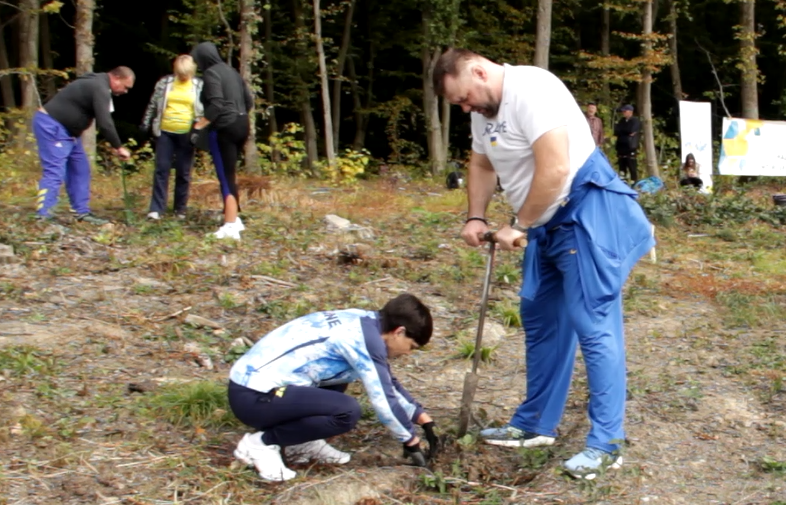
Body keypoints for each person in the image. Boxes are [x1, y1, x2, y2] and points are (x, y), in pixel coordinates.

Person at [432, 48, 654, 479]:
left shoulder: (533, 88)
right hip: (546, 224)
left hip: (586, 211)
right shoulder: (484, 109)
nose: (465, 108)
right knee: (542, 319)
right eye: (459, 104)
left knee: (593, 324)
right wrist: (476, 215)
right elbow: (480, 163)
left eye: (464, 98)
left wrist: (519, 223)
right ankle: (536, 425)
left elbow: (554, 170)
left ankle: (607, 444)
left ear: (478, 70)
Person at [227, 293, 440, 482]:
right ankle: (260, 444)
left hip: (257, 386)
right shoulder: (364, 341)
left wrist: (420, 416)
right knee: (346, 411)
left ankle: (300, 442)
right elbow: (383, 400)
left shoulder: (364, 321)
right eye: (411, 346)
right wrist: (409, 439)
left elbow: (385, 379)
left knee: (342, 375)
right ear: (399, 332)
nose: (408, 353)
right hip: (254, 396)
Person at [34, 66, 135, 224]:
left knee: (80, 169)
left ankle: (81, 212)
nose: (125, 91)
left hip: (69, 133)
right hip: (52, 126)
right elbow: (105, 123)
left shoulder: (99, 84)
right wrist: (118, 146)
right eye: (125, 87)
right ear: (116, 78)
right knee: (55, 171)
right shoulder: (99, 87)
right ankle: (44, 215)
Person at [190, 42, 253, 240]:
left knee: (225, 176)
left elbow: (216, 103)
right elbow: (249, 100)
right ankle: (235, 217)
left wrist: (200, 124)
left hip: (225, 127)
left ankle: (230, 225)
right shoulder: (232, 72)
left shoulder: (211, 74)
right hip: (243, 124)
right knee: (231, 173)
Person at [140, 55, 204, 221]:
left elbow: (204, 111)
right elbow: (153, 104)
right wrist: (146, 123)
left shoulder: (198, 85)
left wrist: (199, 130)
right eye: (181, 73)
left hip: (187, 133)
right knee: (161, 169)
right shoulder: (165, 83)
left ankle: (180, 209)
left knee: (183, 172)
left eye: (186, 74)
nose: (183, 77)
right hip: (165, 131)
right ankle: (156, 209)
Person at [613, 104, 641, 184]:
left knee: (632, 166)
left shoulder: (635, 121)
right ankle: (623, 182)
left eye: (625, 111)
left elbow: (631, 130)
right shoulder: (622, 120)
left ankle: (634, 182)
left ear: (630, 112)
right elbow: (616, 131)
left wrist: (623, 131)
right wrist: (624, 132)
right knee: (622, 166)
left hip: (630, 147)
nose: (623, 113)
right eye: (623, 111)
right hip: (621, 147)